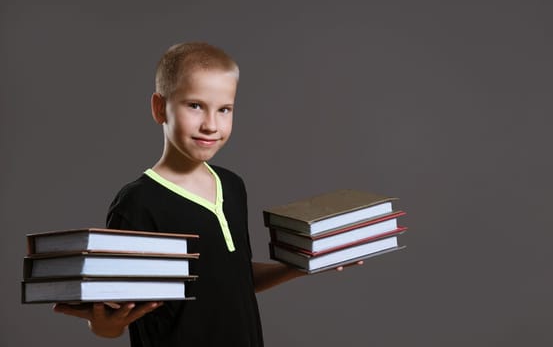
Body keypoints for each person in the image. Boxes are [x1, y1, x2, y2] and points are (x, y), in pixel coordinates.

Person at [53, 42, 359, 346]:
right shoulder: (137, 204)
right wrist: (103, 324)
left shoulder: (233, 186)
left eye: (224, 109)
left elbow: (234, 278)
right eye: (195, 106)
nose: (211, 125)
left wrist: (301, 264)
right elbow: (112, 321)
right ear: (160, 108)